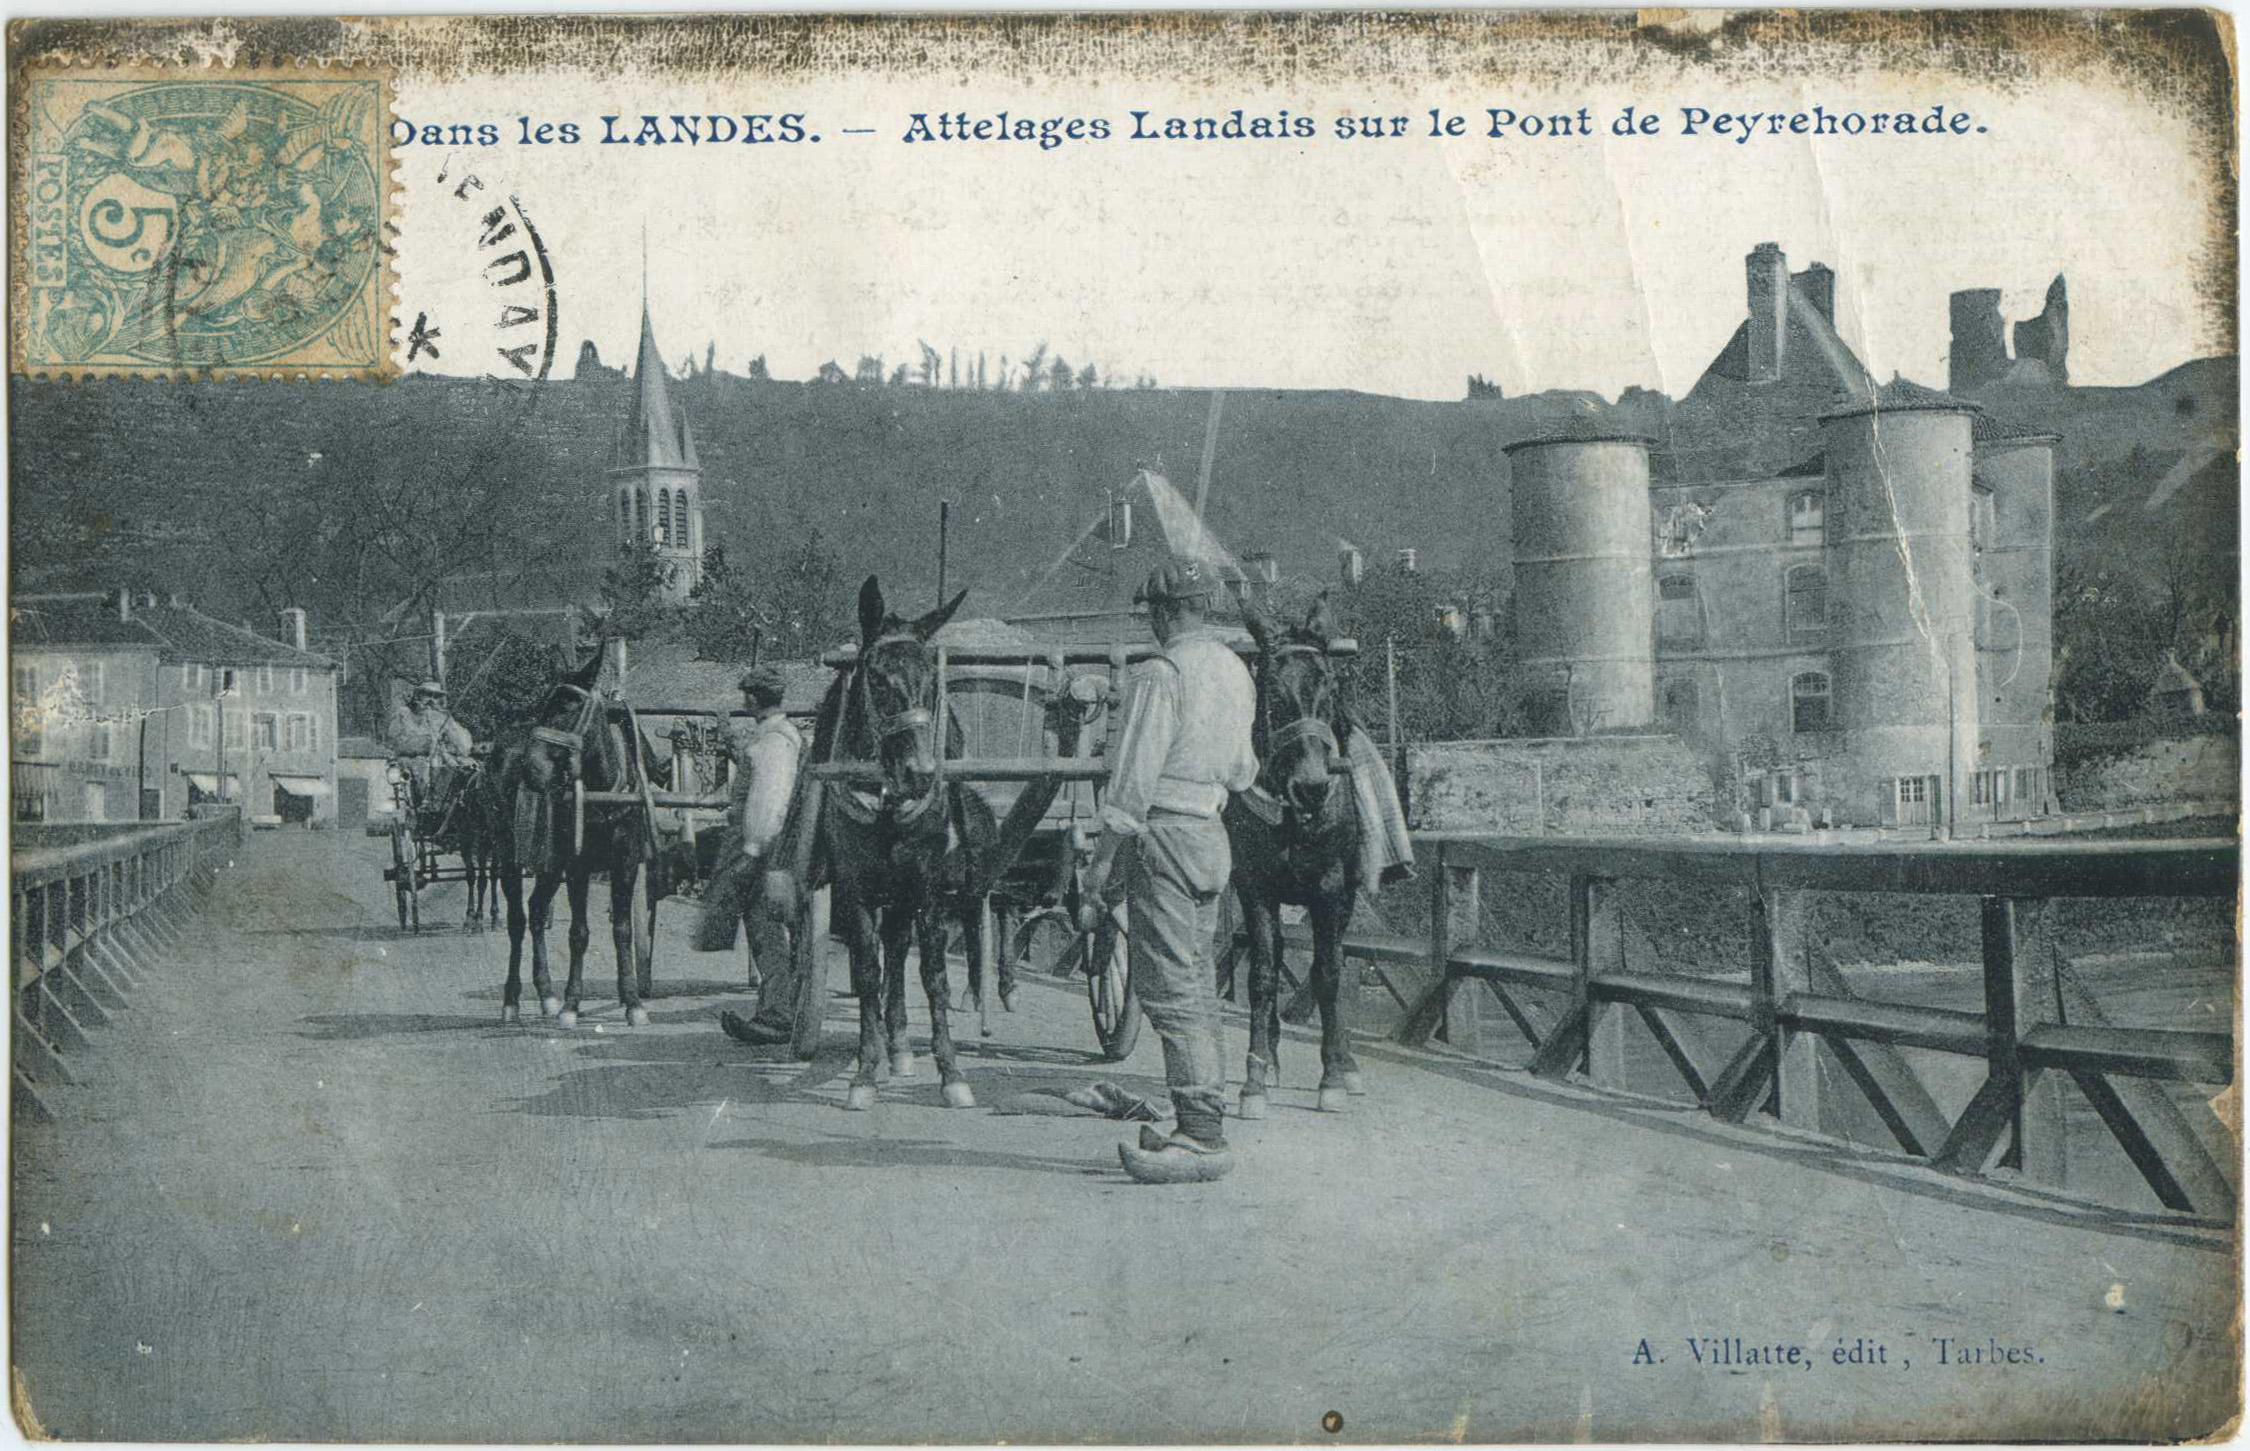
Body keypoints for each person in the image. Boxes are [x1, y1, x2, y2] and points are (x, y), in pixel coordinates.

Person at [1083, 558, 1258, 1184]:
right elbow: (1244, 773)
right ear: (1205, 607)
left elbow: (1131, 784)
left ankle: (1202, 1137)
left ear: (1163, 613)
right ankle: (1200, 1117)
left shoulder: (1161, 674)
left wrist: (1100, 867)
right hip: (1212, 837)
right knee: (1200, 982)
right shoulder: (1236, 670)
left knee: (1167, 988)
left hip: (1163, 838)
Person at [714, 666, 807, 1047]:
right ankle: (781, 1009)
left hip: (771, 850)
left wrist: (751, 853)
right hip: (775, 847)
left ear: (753, 699)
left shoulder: (774, 742)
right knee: (769, 933)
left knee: (767, 932)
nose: (743, 701)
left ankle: (778, 1016)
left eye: (745, 695)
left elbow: (771, 803)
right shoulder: (774, 735)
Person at [385, 679, 473, 807]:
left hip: (439, 763)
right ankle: (423, 807)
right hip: (410, 762)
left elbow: (464, 747)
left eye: (435, 696)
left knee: (468, 766)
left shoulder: (441, 718)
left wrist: (449, 723)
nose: (431, 700)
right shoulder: (403, 714)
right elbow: (396, 743)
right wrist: (427, 742)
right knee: (421, 767)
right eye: (427, 695)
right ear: (418, 695)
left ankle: (453, 806)